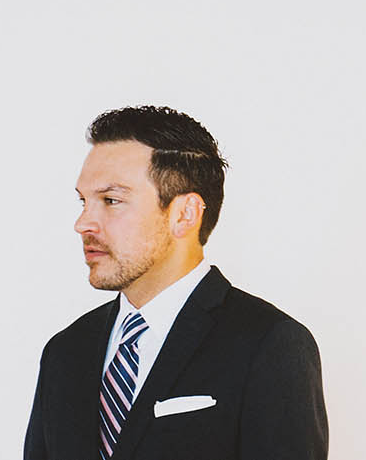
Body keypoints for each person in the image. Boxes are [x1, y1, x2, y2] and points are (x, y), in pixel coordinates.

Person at [24, 107, 328, 460]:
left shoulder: (268, 344)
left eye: (111, 201)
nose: (83, 223)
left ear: (184, 215)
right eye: (83, 201)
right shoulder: (65, 352)